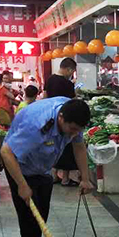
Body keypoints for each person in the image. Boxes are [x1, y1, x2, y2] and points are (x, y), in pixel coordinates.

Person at [0, 96, 93, 237]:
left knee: (41, 214)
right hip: (19, 166)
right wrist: (22, 185)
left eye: (78, 130)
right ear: (61, 118)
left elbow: (79, 146)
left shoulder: (74, 117)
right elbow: (6, 152)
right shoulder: (37, 125)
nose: (75, 133)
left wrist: (85, 178)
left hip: (42, 168)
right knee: (31, 218)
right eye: (72, 129)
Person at [44, 57, 79, 186]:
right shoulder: (67, 84)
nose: (71, 74)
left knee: (53, 145)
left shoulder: (50, 79)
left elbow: (45, 97)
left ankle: (53, 175)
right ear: (68, 69)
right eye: (72, 71)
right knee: (66, 146)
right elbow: (73, 101)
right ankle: (65, 178)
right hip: (65, 118)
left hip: (51, 117)